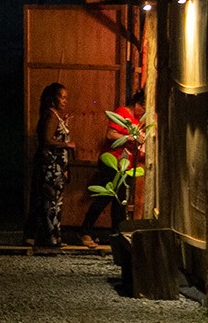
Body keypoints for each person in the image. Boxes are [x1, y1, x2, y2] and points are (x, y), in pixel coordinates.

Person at [79, 89, 145, 249]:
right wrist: (131, 137)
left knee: (119, 202)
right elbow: (110, 135)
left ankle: (117, 236)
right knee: (106, 197)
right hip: (112, 162)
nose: (144, 112)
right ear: (137, 104)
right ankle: (85, 232)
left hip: (125, 166)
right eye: (143, 108)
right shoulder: (123, 112)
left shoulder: (137, 121)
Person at [24, 82, 75, 250]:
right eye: (61, 97)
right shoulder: (50, 115)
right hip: (50, 167)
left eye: (66, 98)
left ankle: (50, 236)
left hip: (57, 167)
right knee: (49, 202)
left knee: (53, 202)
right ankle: (50, 238)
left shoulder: (56, 116)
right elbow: (46, 139)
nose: (64, 101)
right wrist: (67, 145)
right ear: (52, 99)